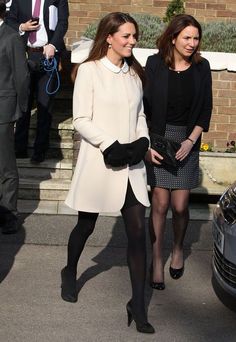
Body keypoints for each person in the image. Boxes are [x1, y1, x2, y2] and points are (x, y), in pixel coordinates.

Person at [62, 12, 155, 334]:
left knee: (138, 234)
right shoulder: (89, 71)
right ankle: (69, 271)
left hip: (132, 167)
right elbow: (80, 119)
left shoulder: (134, 74)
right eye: (126, 36)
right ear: (110, 37)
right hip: (102, 162)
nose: (132, 41)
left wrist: (142, 140)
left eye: (134, 36)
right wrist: (109, 143)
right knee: (85, 226)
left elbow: (140, 114)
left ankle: (138, 306)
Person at [144, 14, 212, 290]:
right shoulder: (154, 64)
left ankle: (178, 248)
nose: (192, 43)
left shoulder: (202, 67)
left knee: (181, 205)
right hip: (159, 140)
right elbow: (144, 108)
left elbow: (205, 108)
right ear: (173, 38)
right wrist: (147, 143)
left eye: (196, 38)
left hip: (187, 140)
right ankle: (157, 258)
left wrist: (191, 140)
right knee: (159, 204)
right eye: (187, 37)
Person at [7, 0, 69, 163]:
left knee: (45, 104)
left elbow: (63, 22)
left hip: (47, 56)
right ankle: (19, 149)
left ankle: (40, 151)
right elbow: (10, 20)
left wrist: (54, 45)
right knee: (23, 103)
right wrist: (22, 27)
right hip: (24, 55)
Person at [0, 0, 29, 233]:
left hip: (4, 109)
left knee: (6, 164)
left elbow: (21, 76)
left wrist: (20, 109)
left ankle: (10, 214)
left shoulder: (11, 37)